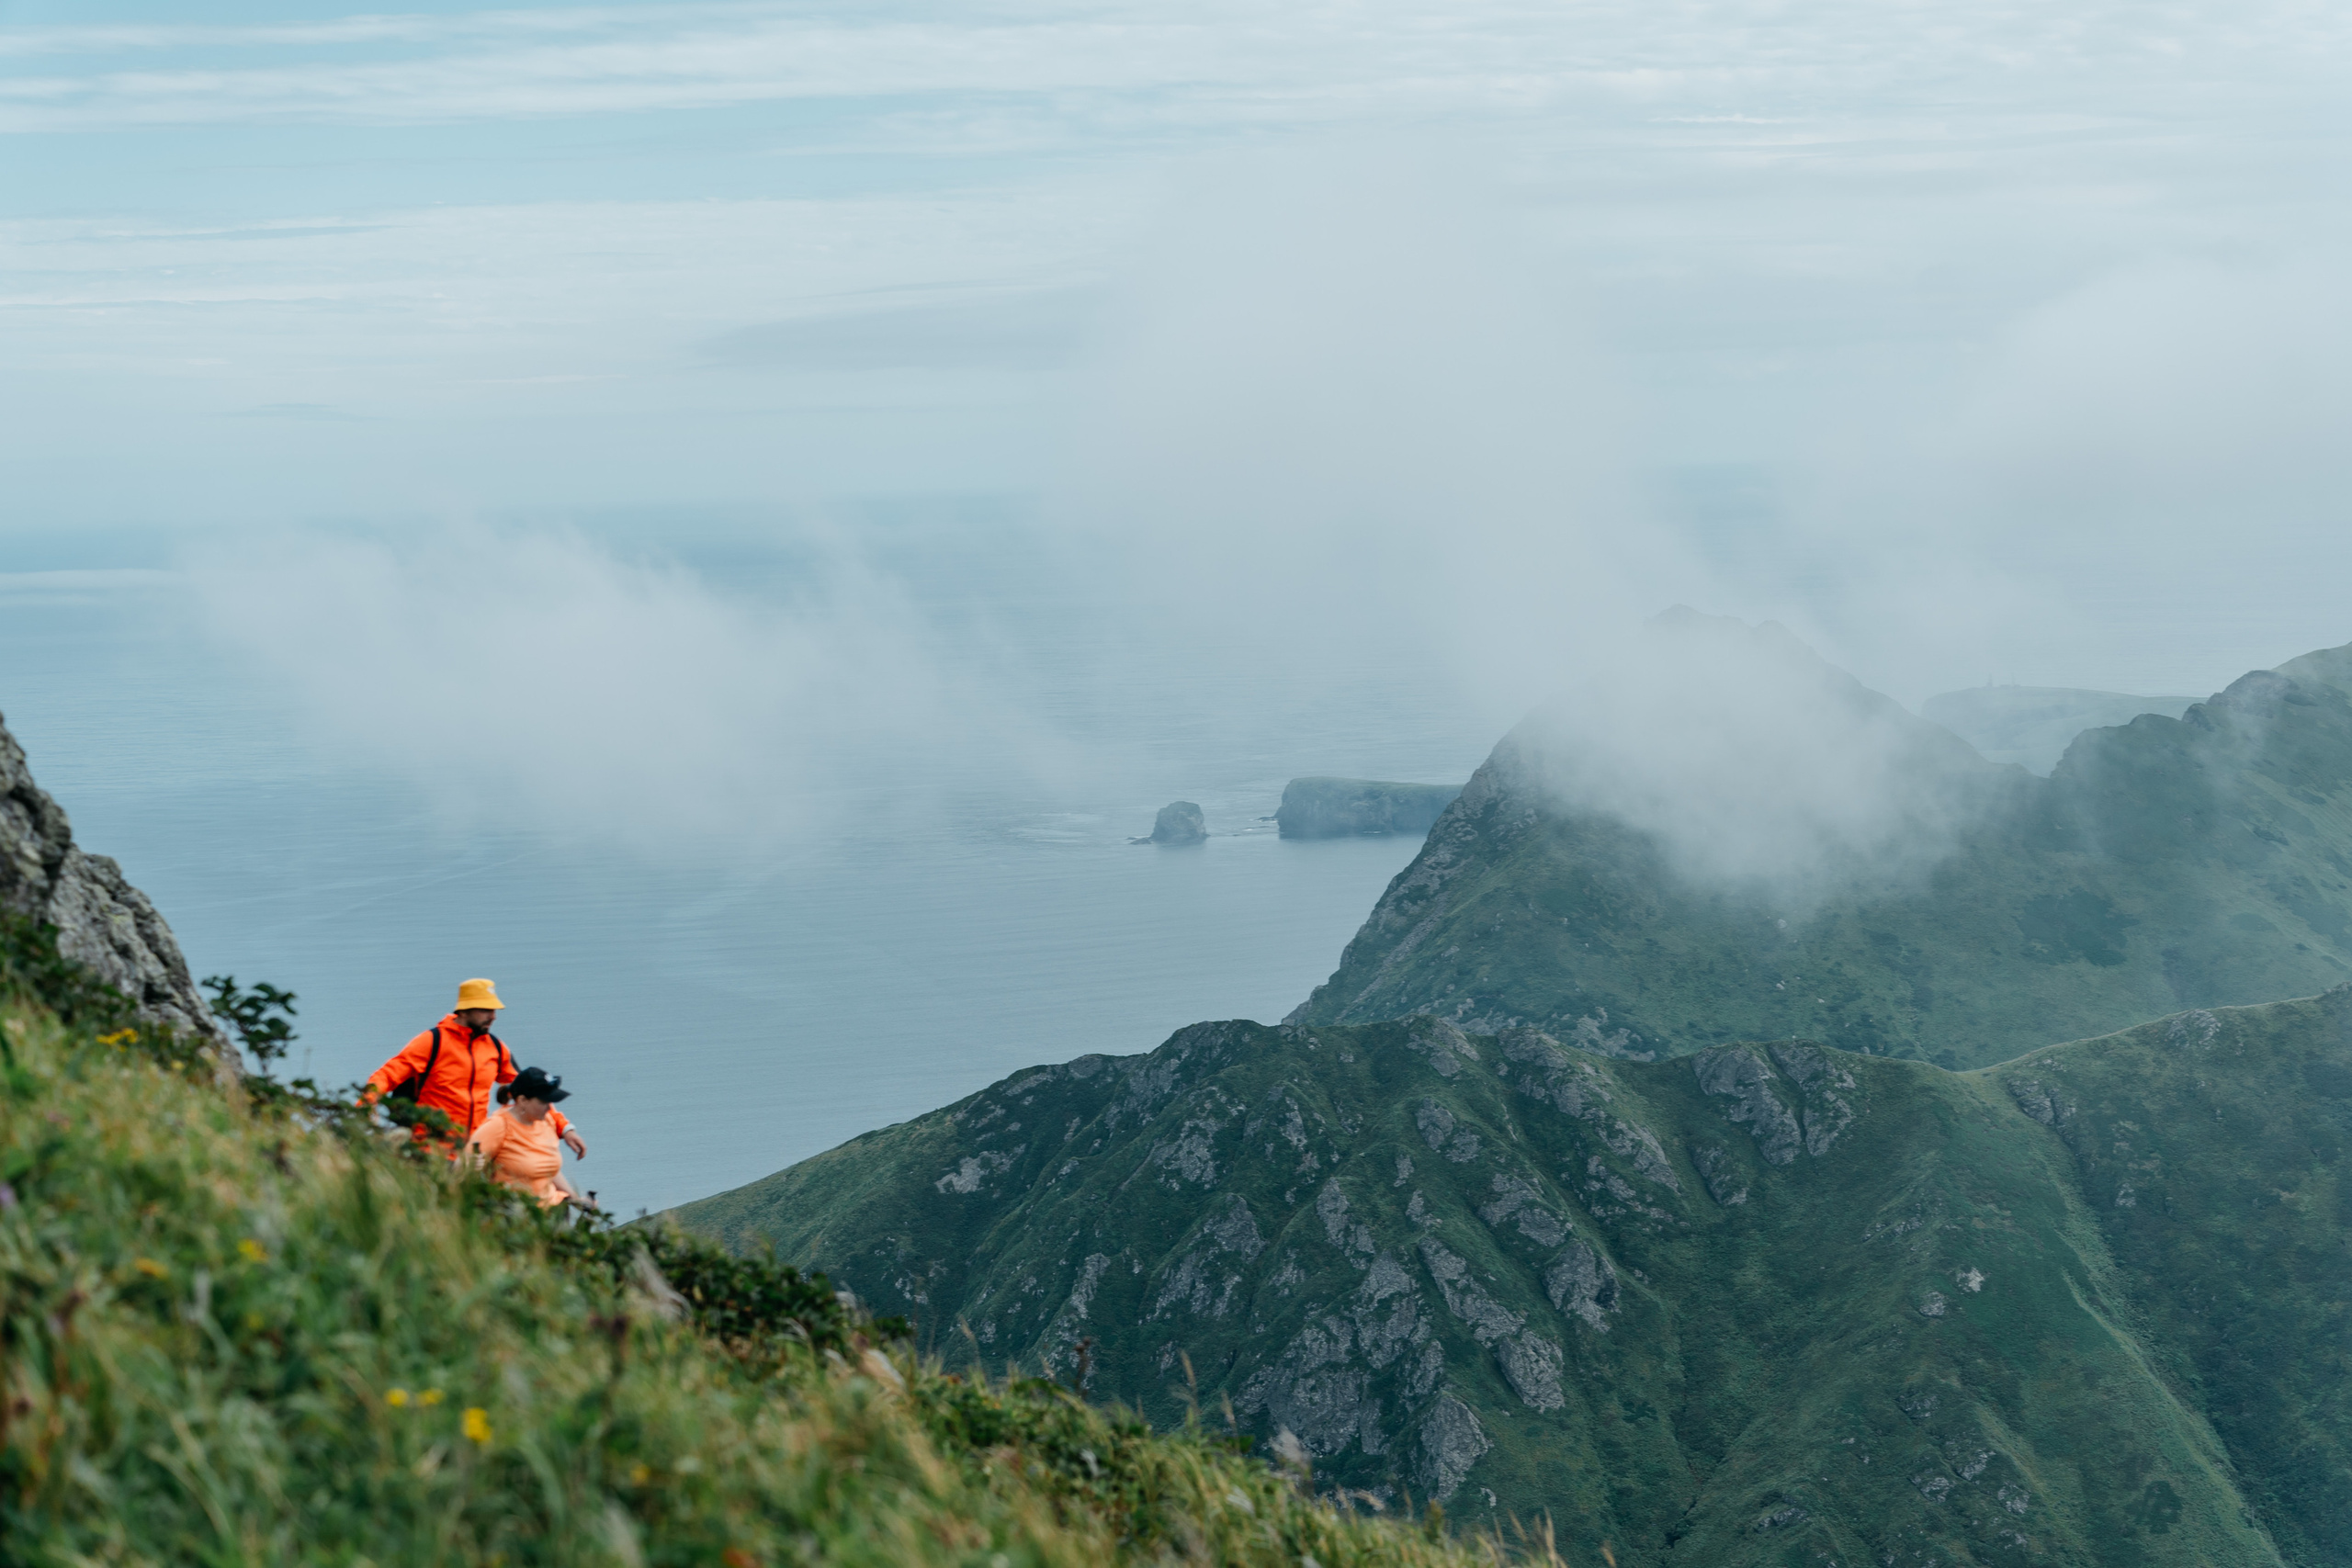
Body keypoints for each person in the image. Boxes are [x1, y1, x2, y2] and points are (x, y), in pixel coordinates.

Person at [365, 978, 517, 1148]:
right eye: (485, 1010)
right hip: (431, 1147)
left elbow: (527, 1087)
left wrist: (549, 1121)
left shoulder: (496, 1047)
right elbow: (387, 1075)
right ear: (463, 1012)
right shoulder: (432, 1042)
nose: (493, 1017)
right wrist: (367, 1102)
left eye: (494, 1010)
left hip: (473, 1148)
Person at [468, 1066, 586, 1208]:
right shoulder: (498, 1126)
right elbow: (461, 1166)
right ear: (523, 1100)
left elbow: (547, 1170)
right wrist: (470, 1167)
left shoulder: (546, 1120)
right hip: (515, 1216)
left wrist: (576, 1200)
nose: (549, 1108)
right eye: (543, 1102)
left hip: (554, 1211)